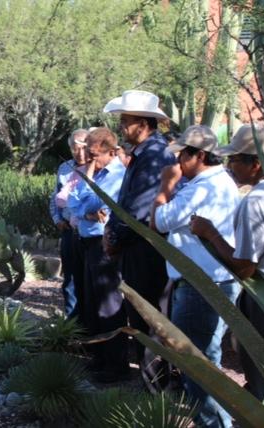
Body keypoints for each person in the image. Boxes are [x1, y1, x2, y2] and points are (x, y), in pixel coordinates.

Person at [151, 125, 240, 427]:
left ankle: (214, 424)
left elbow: (160, 221)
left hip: (200, 285)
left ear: (200, 155)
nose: (177, 163)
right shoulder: (216, 181)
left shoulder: (203, 186)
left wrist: (165, 186)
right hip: (210, 282)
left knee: (197, 364)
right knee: (206, 362)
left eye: (182, 156)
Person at [190, 123, 264, 403]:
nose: (229, 165)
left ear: (255, 164)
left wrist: (210, 233)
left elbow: (245, 266)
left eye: (234, 159)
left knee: (259, 376)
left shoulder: (256, 201)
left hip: (261, 301)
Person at [102, 90, 176, 362]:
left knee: (150, 315)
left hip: (146, 248)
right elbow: (127, 201)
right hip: (136, 244)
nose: (121, 127)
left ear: (144, 124)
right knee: (141, 313)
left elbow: (141, 207)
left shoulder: (154, 155)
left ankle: (155, 382)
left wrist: (115, 237)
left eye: (126, 121)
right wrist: (112, 230)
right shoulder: (146, 153)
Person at [67, 128, 128, 383]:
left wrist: (85, 209)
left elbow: (94, 205)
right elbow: (73, 203)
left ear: (111, 151)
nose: (90, 159)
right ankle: (100, 358)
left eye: (95, 155)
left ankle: (116, 365)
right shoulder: (96, 172)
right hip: (88, 242)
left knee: (108, 304)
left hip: (105, 244)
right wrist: (90, 176)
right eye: (88, 154)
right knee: (92, 303)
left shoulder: (116, 176)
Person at [50, 129, 88, 317]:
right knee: (70, 279)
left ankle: (90, 322)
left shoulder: (96, 168)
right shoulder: (64, 168)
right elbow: (54, 196)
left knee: (88, 278)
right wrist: (57, 219)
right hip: (68, 230)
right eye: (75, 148)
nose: (80, 152)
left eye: (83, 147)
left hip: (88, 231)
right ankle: (72, 322)